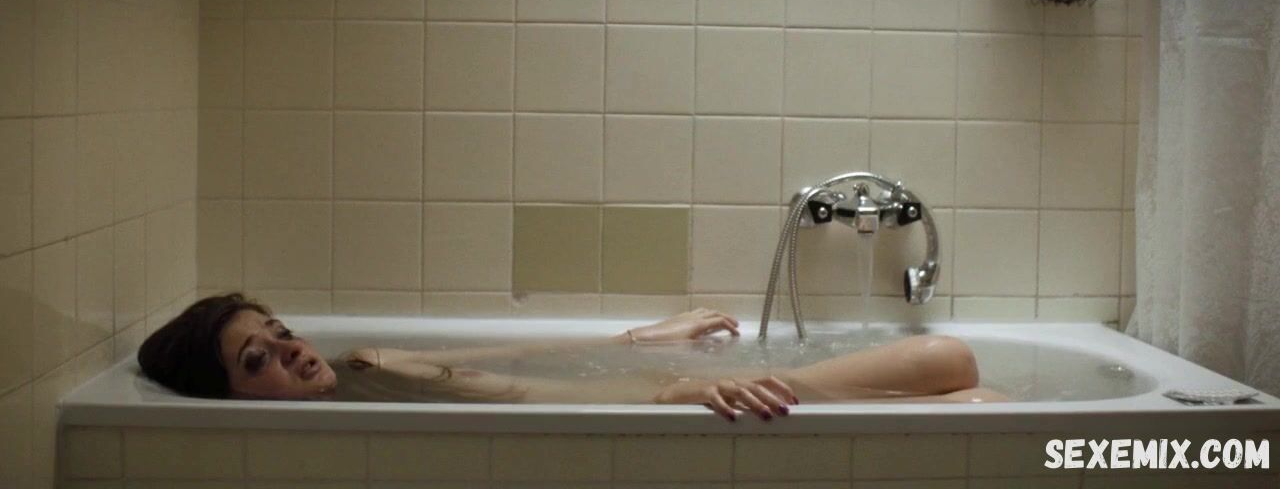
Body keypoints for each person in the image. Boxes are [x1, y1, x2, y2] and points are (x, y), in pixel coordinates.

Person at [138, 293, 1004, 422]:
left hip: (665, 388)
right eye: (258, 360)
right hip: (668, 400)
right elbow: (513, 396)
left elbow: (501, 359)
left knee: (953, 364)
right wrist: (664, 393)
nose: (294, 352)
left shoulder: (363, 369)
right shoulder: (356, 410)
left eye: (282, 332)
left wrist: (640, 340)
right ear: (227, 401)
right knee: (967, 388)